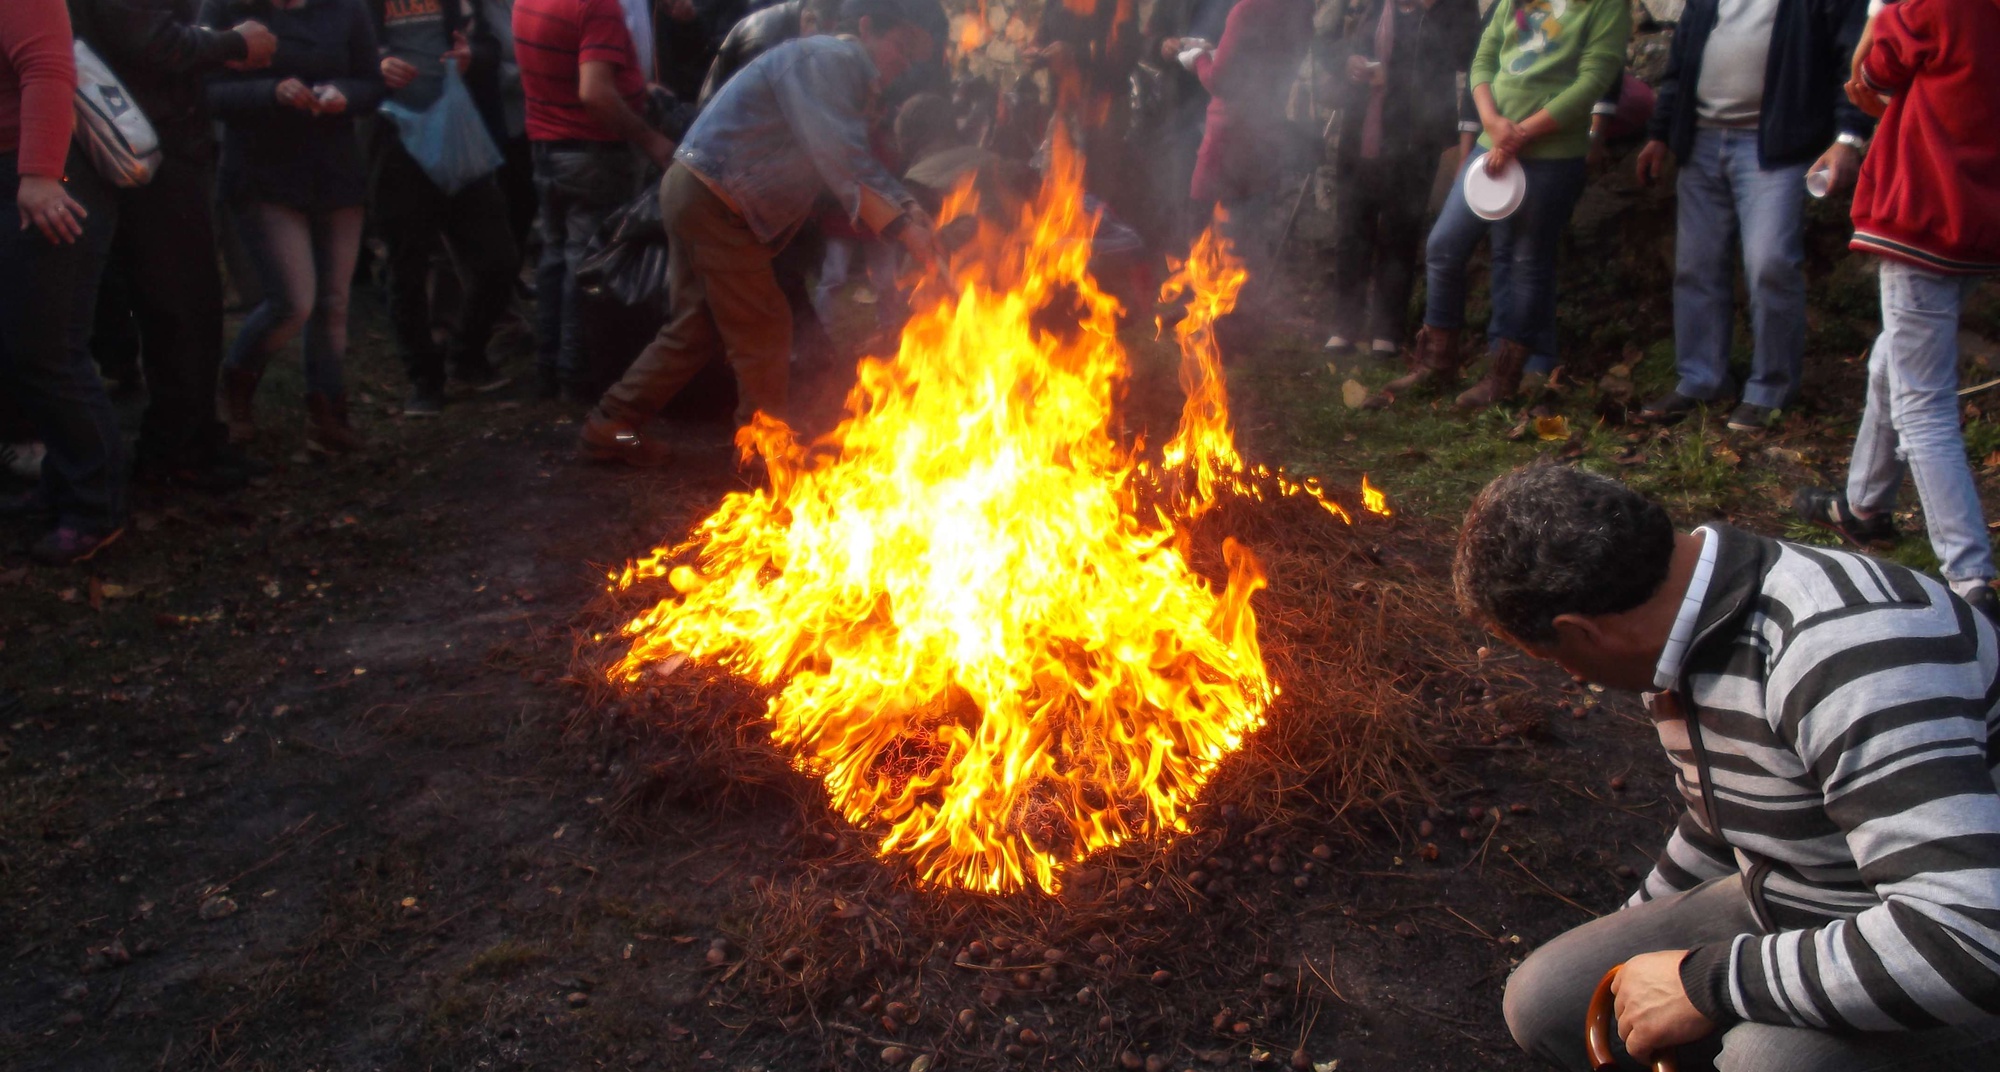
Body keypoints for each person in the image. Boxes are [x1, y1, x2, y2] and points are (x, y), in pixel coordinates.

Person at [1456, 463, 2000, 1072]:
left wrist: (1709, 983)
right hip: (1809, 898)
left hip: (1954, 946)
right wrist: (1637, 940)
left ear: (1578, 631)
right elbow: (1728, 815)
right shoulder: (1675, 614)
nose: (1575, 679)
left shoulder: (1845, 652)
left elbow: (1970, 938)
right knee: (1550, 996)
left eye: (1554, 659)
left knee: (1763, 1061)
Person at [578, 0, 942, 467]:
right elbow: (843, 158)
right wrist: (903, 224)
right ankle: (764, 455)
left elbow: (834, 162)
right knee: (767, 327)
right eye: (901, 47)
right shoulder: (832, 60)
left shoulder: (842, 74)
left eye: (913, 58)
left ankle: (612, 425)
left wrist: (908, 207)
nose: (903, 64)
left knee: (697, 327)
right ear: (868, 27)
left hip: (700, 190)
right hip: (717, 198)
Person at [1793, 0, 2000, 615]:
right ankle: (1863, 505)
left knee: (1922, 401)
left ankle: (1970, 576)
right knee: (1895, 358)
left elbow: (1870, 78)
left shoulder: (1934, 6)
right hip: (1980, 218)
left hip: (1924, 213)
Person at [1365, 0, 1628, 411]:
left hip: (1552, 155)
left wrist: (1520, 135)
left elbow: (1593, 80)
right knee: (1443, 246)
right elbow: (1484, 58)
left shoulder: (1605, 6)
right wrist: (1491, 122)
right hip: (1491, 146)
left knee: (1525, 260)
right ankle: (1436, 364)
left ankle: (1504, 379)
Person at [65, 0, 279, 490]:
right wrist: (233, 42)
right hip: (145, 148)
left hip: (163, 140)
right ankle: (175, 450)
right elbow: (149, 40)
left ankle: (195, 438)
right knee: (179, 303)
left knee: (191, 302)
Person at [1634, 0, 1873, 432]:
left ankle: (1770, 390)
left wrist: (1848, 138)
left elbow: (1853, 59)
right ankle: (1701, 378)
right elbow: (1680, 64)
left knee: (1771, 264)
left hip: (1775, 149)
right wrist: (1659, 135)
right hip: (1702, 141)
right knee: (1696, 266)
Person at [203, 0, 385, 455]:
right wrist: (270, 91)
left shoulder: (346, 8)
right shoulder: (227, 6)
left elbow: (371, 83)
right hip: (262, 172)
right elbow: (205, 90)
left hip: (334, 169)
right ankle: (235, 387)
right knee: (294, 301)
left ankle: (327, 413)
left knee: (333, 301)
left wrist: (343, 94)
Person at [2, 0, 130, 564]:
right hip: (20, 172)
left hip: (45, 175)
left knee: (49, 349)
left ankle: (95, 507)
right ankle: (64, 482)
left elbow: (48, 68)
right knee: (22, 348)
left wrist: (39, 174)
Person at [513, 0, 672, 400]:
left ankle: (548, 368)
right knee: (587, 268)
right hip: (592, 156)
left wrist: (636, 87)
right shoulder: (597, 4)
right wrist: (652, 140)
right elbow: (594, 93)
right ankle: (576, 377)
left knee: (553, 260)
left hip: (547, 148)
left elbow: (568, 66)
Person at [367, 0, 518, 416]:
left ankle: (465, 357)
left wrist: (474, 55)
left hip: (458, 131)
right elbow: (336, 49)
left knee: (499, 259)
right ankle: (425, 381)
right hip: (395, 137)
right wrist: (376, 65)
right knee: (406, 265)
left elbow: (491, 43)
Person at [1321, 0, 1480, 362]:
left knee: (1399, 232)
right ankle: (1344, 326)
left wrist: (1431, 10)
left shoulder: (1454, 6)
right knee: (1351, 229)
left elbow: (1463, 55)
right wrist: (1348, 62)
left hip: (1415, 138)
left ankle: (1386, 332)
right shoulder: (1372, 4)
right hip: (1361, 132)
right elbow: (1326, 42)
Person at [1164, 0, 1314, 351]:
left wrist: (1197, 59)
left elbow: (1222, 80)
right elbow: (1258, 66)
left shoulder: (1248, 8)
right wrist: (1215, 51)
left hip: (1230, 137)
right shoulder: (1301, 9)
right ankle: (1237, 321)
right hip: (1266, 133)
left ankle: (1213, 321)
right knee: (1246, 230)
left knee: (1205, 226)